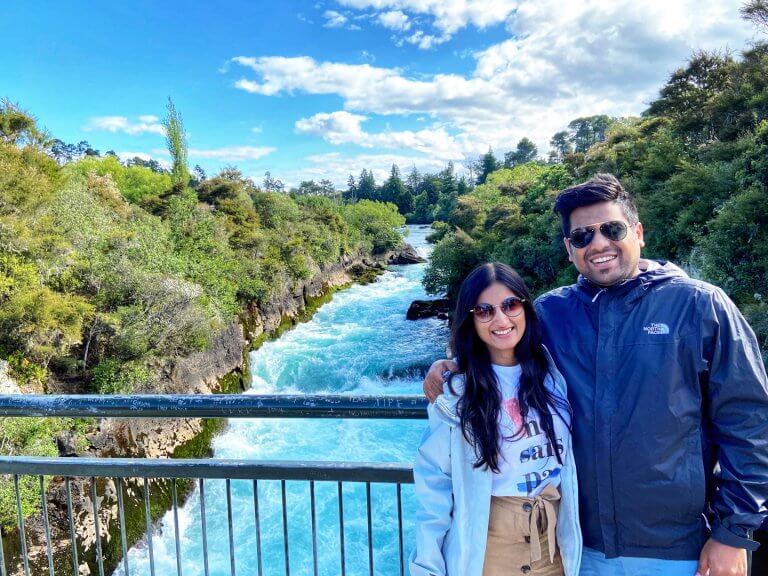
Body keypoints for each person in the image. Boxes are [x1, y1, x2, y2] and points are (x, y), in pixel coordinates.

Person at [424, 174, 768, 576]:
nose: (599, 243)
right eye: (583, 236)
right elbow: (499, 345)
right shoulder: (553, 314)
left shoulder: (699, 306)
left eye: (612, 229)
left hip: (678, 551)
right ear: (570, 249)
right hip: (575, 548)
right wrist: (450, 365)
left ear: (638, 232)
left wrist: (732, 533)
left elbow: (751, 424)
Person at [410, 262, 582, 576]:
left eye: (510, 305)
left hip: (555, 546)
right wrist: (427, 567)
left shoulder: (553, 372)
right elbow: (434, 486)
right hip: (489, 550)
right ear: (470, 320)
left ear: (526, 308)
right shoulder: (456, 393)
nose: (501, 319)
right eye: (485, 310)